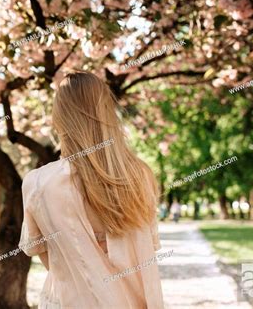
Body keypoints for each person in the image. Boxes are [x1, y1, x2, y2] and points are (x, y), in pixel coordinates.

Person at [18, 71, 164, 308]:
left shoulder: (37, 183)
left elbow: (46, 256)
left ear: (59, 118)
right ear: (107, 112)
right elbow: (148, 250)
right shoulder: (140, 176)